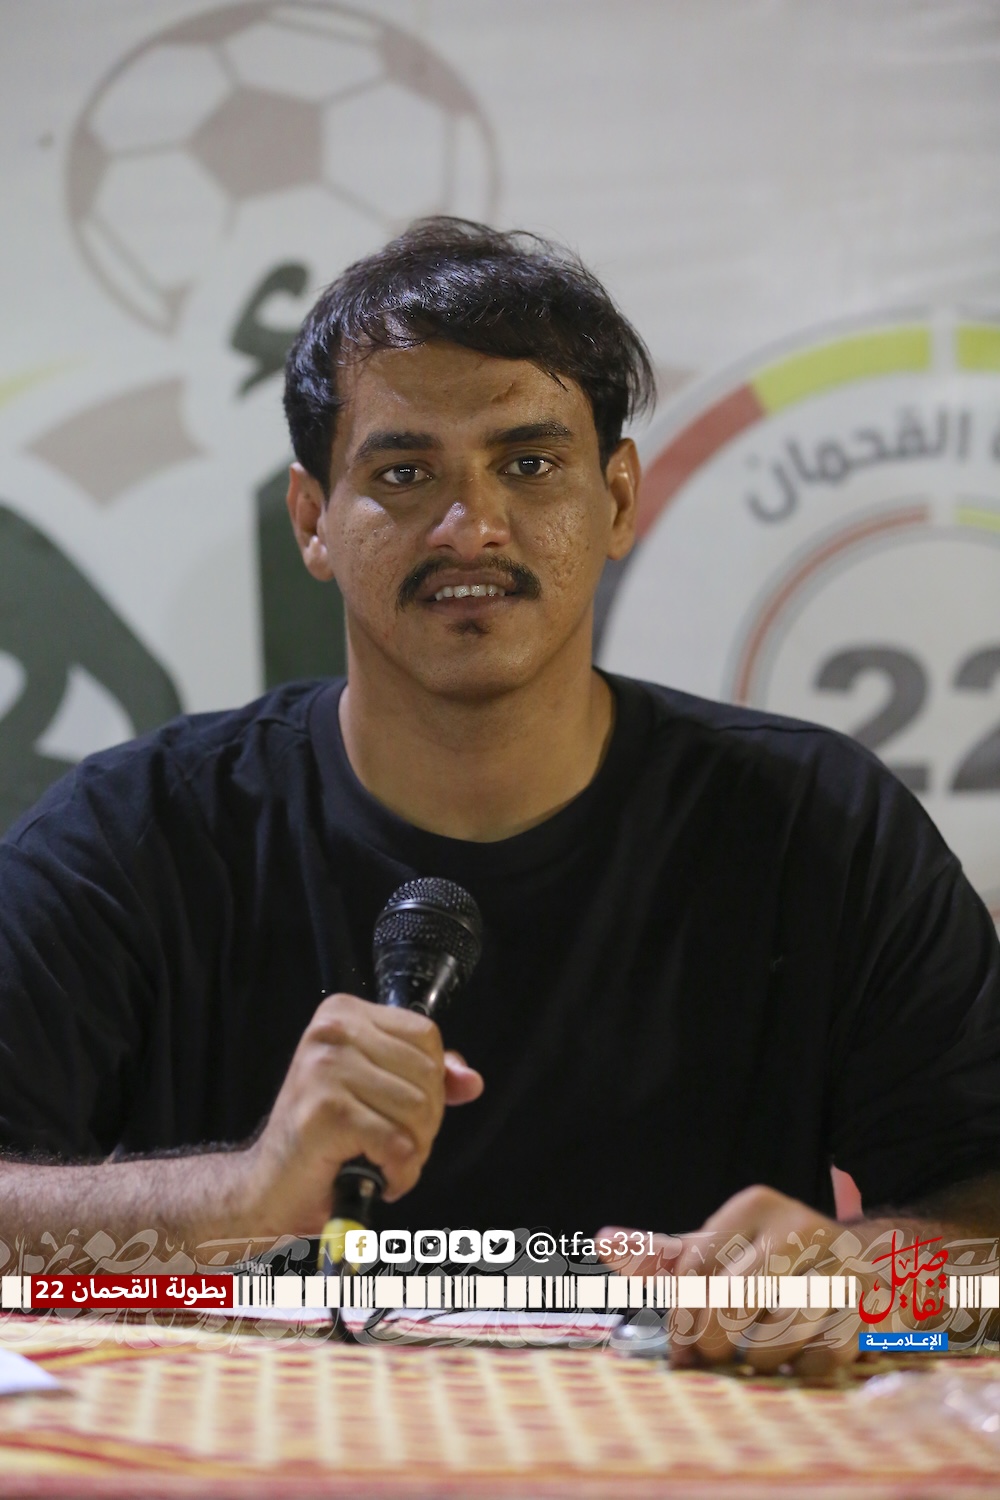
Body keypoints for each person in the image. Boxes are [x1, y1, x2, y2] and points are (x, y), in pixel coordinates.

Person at [0, 219, 997, 1373]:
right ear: (312, 521)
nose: (470, 526)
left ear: (617, 499)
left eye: (528, 464)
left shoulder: (821, 822)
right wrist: (244, 1195)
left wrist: (855, 1282)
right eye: (403, 473)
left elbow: (983, 1236)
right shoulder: (135, 832)